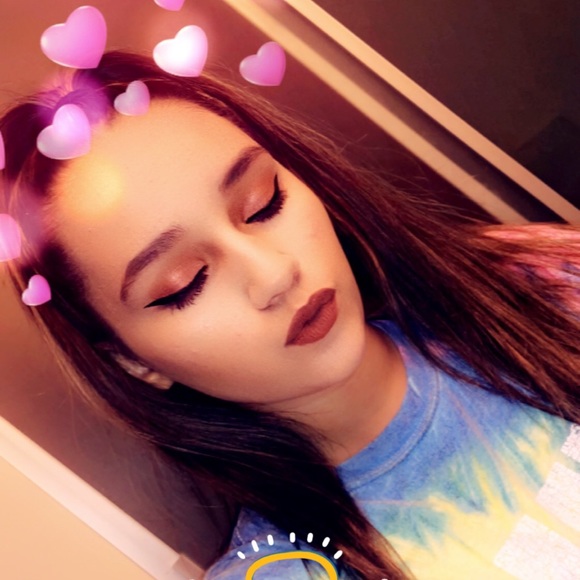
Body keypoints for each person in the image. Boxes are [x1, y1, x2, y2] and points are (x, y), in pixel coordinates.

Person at [1, 50, 579, 580]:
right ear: (133, 362)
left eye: (263, 203)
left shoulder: (534, 279)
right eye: (186, 283)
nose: (275, 274)